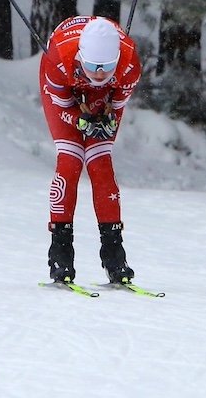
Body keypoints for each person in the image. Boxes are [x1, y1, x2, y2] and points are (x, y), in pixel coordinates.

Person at [39, 15, 143, 285]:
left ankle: (114, 253)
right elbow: (62, 105)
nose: (98, 73)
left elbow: (116, 105)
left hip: (103, 95)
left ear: (117, 60)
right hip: (66, 90)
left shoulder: (129, 64)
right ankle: (60, 252)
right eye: (93, 66)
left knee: (100, 162)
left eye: (107, 67)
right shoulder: (59, 59)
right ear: (82, 56)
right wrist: (80, 120)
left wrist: (104, 119)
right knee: (70, 160)